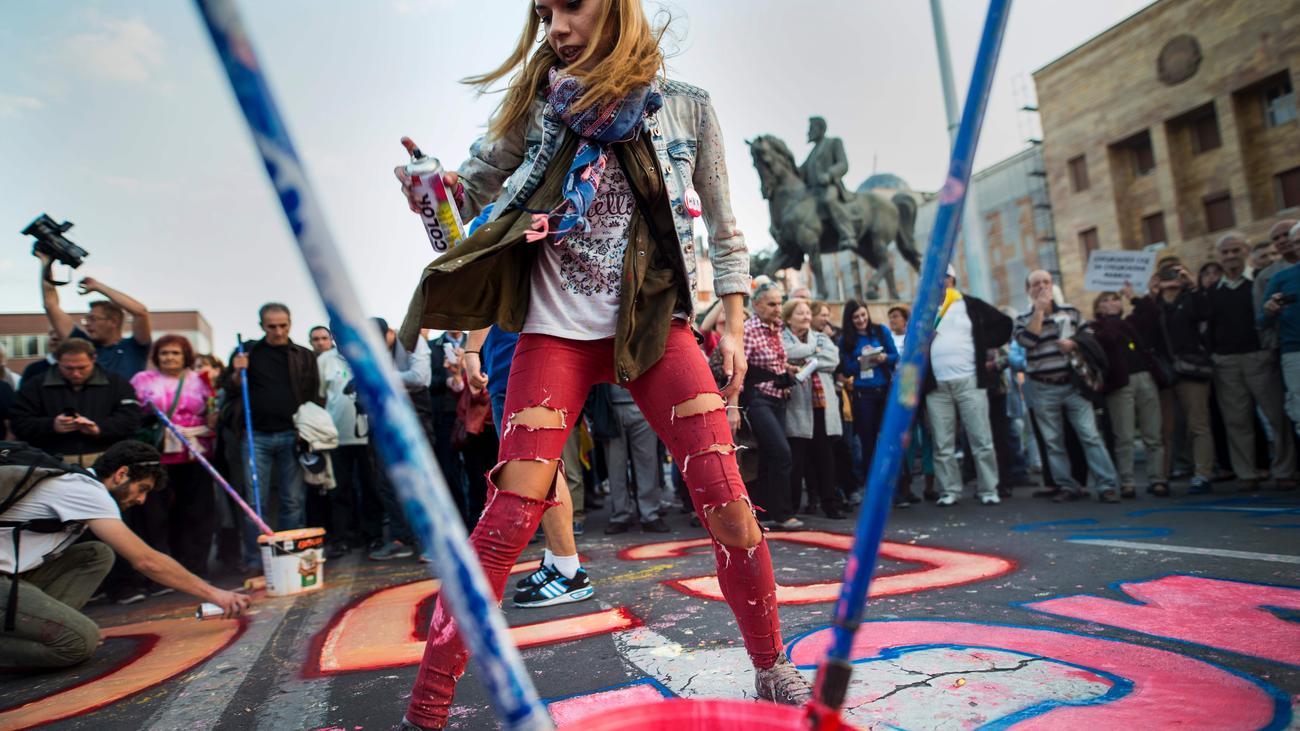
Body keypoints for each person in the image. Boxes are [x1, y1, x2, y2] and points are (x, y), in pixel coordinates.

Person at [393, 1, 811, 725]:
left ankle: (772, 665)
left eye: (572, 5)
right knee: (508, 515)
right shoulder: (535, 99)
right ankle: (425, 711)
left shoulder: (685, 107)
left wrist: (735, 323)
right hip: (551, 332)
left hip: (652, 329)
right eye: (544, 12)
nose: (556, 26)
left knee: (729, 504)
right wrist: (434, 192)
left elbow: (724, 225)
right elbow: (474, 191)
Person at [0, 440, 249, 669]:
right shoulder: (86, 491)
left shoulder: (78, 483)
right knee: (78, 644)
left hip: (14, 575)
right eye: (142, 488)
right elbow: (147, 561)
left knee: (97, 554)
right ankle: (42, 639)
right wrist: (214, 594)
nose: (141, 499)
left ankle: (41, 629)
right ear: (121, 474)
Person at [224, 303, 323, 570]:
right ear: (262, 326)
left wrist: (307, 428)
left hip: (293, 434)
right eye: (272, 326)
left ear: (290, 324)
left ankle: (289, 558)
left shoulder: (303, 355)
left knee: (293, 500)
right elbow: (229, 389)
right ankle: (256, 560)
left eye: (283, 326)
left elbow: (313, 393)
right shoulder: (247, 352)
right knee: (256, 502)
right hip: (255, 435)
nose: (278, 332)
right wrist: (238, 372)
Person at [1013, 270, 1119, 502]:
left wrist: (1074, 343)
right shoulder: (1022, 318)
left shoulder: (1071, 312)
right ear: (1029, 290)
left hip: (1073, 384)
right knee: (1053, 442)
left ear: (1052, 286)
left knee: (1090, 436)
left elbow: (1089, 338)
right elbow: (1027, 341)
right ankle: (1067, 486)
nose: (1042, 286)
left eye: (1046, 282)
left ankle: (1107, 485)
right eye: (1036, 284)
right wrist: (1039, 311)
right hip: (1043, 387)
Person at [1205, 233, 1296, 491]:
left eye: (1235, 250)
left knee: (1277, 417)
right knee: (1236, 421)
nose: (1230, 256)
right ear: (1219, 256)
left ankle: (1285, 470)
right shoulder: (1213, 290)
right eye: (1225, 252)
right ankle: (1246, 473)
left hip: (1259, 357)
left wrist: (1268, 350)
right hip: (1226, 362)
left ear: (1246, 251)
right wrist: (1215, 356)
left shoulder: (1261, 281)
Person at [130, 335, 218, 576]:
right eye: (164, 353)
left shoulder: (200, 380)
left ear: (185, 356)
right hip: (157, 456)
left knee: (197, 512)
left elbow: (212, 410)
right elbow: (134, 414)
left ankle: (196, 567)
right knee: (155, 515)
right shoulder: (142, 380)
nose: (169, 358)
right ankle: (161, 571)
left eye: (175, 353)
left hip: (195, 454)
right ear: (156, 356)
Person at [924, 266, 1012, 506]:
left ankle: (989, 488)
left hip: (969, 381)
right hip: (937, 387)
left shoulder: (970, 304)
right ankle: (949, 490)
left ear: (952, 279)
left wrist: (981, 343)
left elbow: (1004, 324)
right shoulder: (925, 310)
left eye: (943, 277)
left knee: (981, 438)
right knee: (942, 443)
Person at [1127, 258, 1214, 495]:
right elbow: (1142, 329)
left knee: (1198, 424)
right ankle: (1161, 476)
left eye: (1176, 273)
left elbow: (1206, 312)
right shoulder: (1155, 306)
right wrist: (1148, 295)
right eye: (1165, 274)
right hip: (1164, 372)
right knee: (1164, 428)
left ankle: (1202, 473)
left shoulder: (1191, 299)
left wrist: (1192, 285)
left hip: (1192, 369)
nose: (1170, 279)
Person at [10, 339, 141, 467]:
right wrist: (51, 425)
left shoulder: (117, 384)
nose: (76, 374)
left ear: (93, 359)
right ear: (58, 361)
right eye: (69, 368)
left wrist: (98, 428)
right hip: (52, 464)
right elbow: (18, 422)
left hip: (106, 462)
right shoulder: (34, 386)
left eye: (82, 368)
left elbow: (131, 419)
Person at [1091, 291, 1166, 499]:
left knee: (1153, 433)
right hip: (1120, 384)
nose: (1112, 303)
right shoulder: (1095, 328)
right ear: (1098, 308)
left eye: (1115, 299)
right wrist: (1111, 319)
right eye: (1105, 300)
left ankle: (1158, 479)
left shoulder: (1130, 323)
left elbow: (1152, 312)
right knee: (1124, 436)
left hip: (1145, 378)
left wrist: (1135, 297)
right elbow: (1107, 339)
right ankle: (1127, 481)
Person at [370, 319, 435, 560]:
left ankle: (433, 543)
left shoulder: (413, 340)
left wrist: (381, 377)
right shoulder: (372, 351)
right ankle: (400, 540)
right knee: (387, 484)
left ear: (390, 333)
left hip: (415, 419)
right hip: (384, 422)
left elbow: (419, 377)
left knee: (421, 481)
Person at [316, 327, 381, 558]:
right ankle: (343, 537)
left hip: (366, 435)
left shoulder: (367, 355)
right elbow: (321, 396)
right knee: (340, 489)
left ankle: (373, 536)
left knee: (370, 486)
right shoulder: (325, 360)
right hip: (337, 435)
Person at [38, 254, 152, 381]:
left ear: (113, 322)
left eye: (93, 319)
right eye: (86, 319)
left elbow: (140, 312)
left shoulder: (135, 346)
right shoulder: (84, 345)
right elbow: (51, 305)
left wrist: (98, 286)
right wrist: (46, 262)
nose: (87, 324)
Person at [781, 298, 845, 518]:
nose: (806, 317)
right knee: (797, 459)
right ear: (789, 318)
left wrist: (803, 360)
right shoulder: (782, 337)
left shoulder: (820, 337)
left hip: (822, 405)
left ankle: (830, 504)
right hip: (797, 406)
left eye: (808, 312)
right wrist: (813, 354)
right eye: (800, 313)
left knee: (825, 458)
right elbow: (785, 353)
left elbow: (833, 359)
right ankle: (792, 507)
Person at [744, 284, 800, 530]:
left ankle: (764, 513)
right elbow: (738, 368)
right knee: (782, 453)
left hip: (779, 399)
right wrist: (733, 407)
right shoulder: (748, 330)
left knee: (769, 456)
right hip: (758, 399)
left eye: (780, 303)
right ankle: (783, 513)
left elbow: (775, 363)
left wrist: (787, 371)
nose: (778, 308)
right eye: (772, 304)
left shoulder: (777, 328)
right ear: (756, 305)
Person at [840, 299, 903, 501]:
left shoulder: (880, 331)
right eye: (856, 317)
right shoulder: (846, 339)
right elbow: (845, 369)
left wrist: (884, 358)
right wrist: (860, 362)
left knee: (890, 439)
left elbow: (895, 356)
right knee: (868, 443)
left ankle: (899, 489)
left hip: (884, 390)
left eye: (863, 315)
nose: (861, 320)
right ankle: (872, 489)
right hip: (862, 394)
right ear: (850, 319)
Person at [600, 385, 671, 534]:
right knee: (616, 466)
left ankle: (647, 514)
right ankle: (624, 514)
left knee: (647, 462)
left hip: (641, 401)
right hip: (610, 406)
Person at [1260, 221, 1300, 454]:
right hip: (1294, 353)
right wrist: (1269, 310)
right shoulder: (1280, 278)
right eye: (1297, 243)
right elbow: (1261, 320)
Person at [800, 116, 855, 252]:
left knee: (829, 200)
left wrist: (829, 175)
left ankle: (848, 233)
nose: (808, 132)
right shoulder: (811, 154)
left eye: (811, 128)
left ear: (820, 129)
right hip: (812, 192)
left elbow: (843, 164)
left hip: (829, 187)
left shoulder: (834, 142)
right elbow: (801, 172)